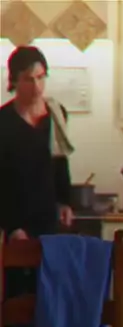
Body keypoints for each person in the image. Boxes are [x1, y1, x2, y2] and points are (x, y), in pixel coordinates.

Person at [0, 46, 74, 296]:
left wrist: (65, 201)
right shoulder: (3, 121)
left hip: (48, 218)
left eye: (41, 78)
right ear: (14, 81)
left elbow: (60, 161)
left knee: (50, 293)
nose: (37, 87)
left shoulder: (56, 114)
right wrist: (12, 226)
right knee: (18, 298)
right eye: (28, 79)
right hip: (15, 220)